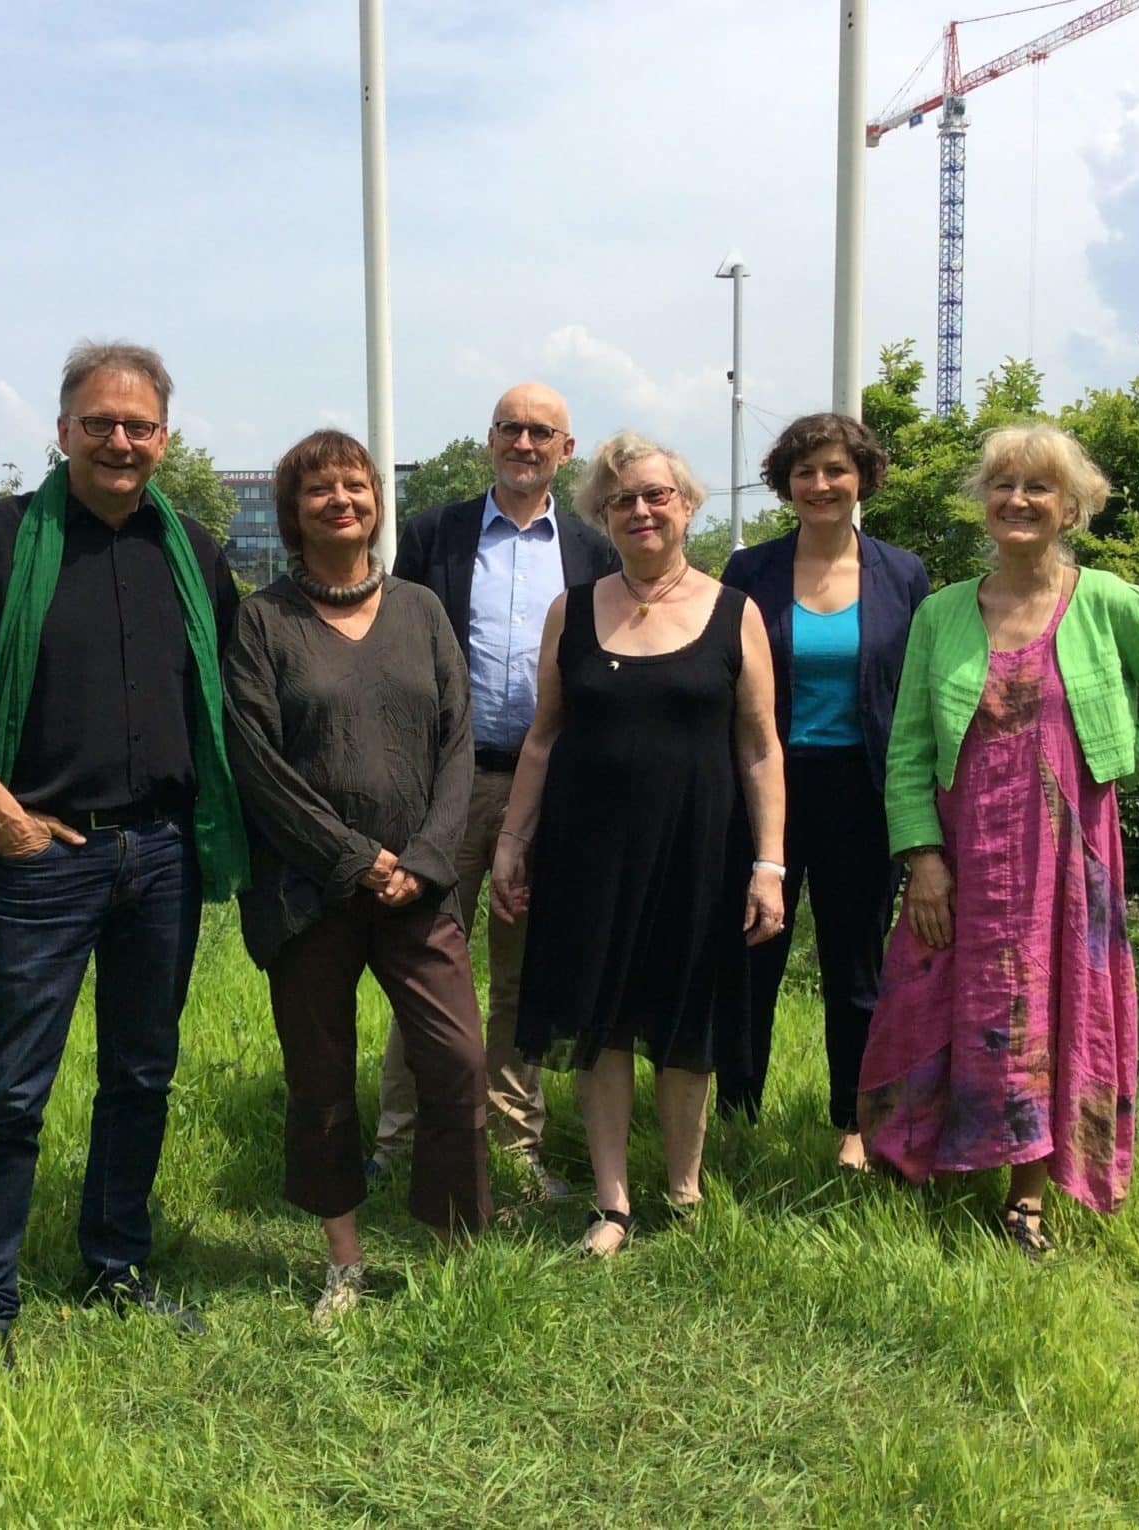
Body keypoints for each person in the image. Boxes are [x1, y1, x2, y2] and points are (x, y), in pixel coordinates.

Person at [0, 341, 245, 1357]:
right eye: (98, 423)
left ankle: (115, 1267)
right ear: (62, 432)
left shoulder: (196, 553)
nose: (119, 441)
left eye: (137, 426)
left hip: (162, 858)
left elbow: (242, 694)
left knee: (141, 1074)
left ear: (163, 439)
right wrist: (1, 816)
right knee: (13, 1086)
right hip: (43, 861)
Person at [859, 424, 1139, 1257]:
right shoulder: (944, 611)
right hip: (960, 855)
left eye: (1039, 489)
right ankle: (922, 1158)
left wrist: (1109, 757)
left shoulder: (1110, 602)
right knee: (925, 996)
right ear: (983, 504)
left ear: (1072, 507)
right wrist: (922, 860)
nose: (1018, 501)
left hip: (1066, 857)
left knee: (1047, 1011)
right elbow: (908, 747)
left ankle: (1025, 1194)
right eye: (1003, 486)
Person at [491, 432, 785, 1256]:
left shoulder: (736, 612)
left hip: (700, 847)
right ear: (603, 516)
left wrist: (769, 863)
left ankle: (685, 1190)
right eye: (623, 500)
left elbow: (761, 747)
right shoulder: (571, 610)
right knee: (601, 1021)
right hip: (588, 852)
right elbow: (544, 738)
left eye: (657, 494)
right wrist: (514, 842)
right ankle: (613, 1202)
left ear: (687, 505)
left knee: (684, 1018)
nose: (642, 510)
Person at [225, 429, 492, 1324]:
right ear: (293, 514)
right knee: (322, 1077)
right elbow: (255, 762)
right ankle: (344, 1256)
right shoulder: (262, 622)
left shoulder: (420, 610)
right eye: (319, 490)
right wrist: (351, 858)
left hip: (420, 890)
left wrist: (420, 861)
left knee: (456, 1063)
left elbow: (457, 745)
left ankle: (452, 1244)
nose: (342, 500)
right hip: (308, 894)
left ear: (378, 502)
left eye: (356, 485)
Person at [369, 382, 620, 1200]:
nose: (523, 442)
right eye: (510, 427)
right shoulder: (434, 533)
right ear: (489, 439)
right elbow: (403, 649)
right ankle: (401, 1137)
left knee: (522, 975)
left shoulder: (592, 550)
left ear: (565, 450)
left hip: (548, 792)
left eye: (541, 431)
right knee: (423, 961)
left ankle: (515, 1145)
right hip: (448, 785)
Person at [716, 414, 929, 1170]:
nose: (820, 485)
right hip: (764, 791)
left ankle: (855, 1122)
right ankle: (736, 1116)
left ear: (862, 477)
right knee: (749, 959)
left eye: (836, 470)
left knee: (857, 965)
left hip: (865, 795)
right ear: (786, 484)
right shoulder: (750, 573)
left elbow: (916, 694)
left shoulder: (903, 574)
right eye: (805, 473)